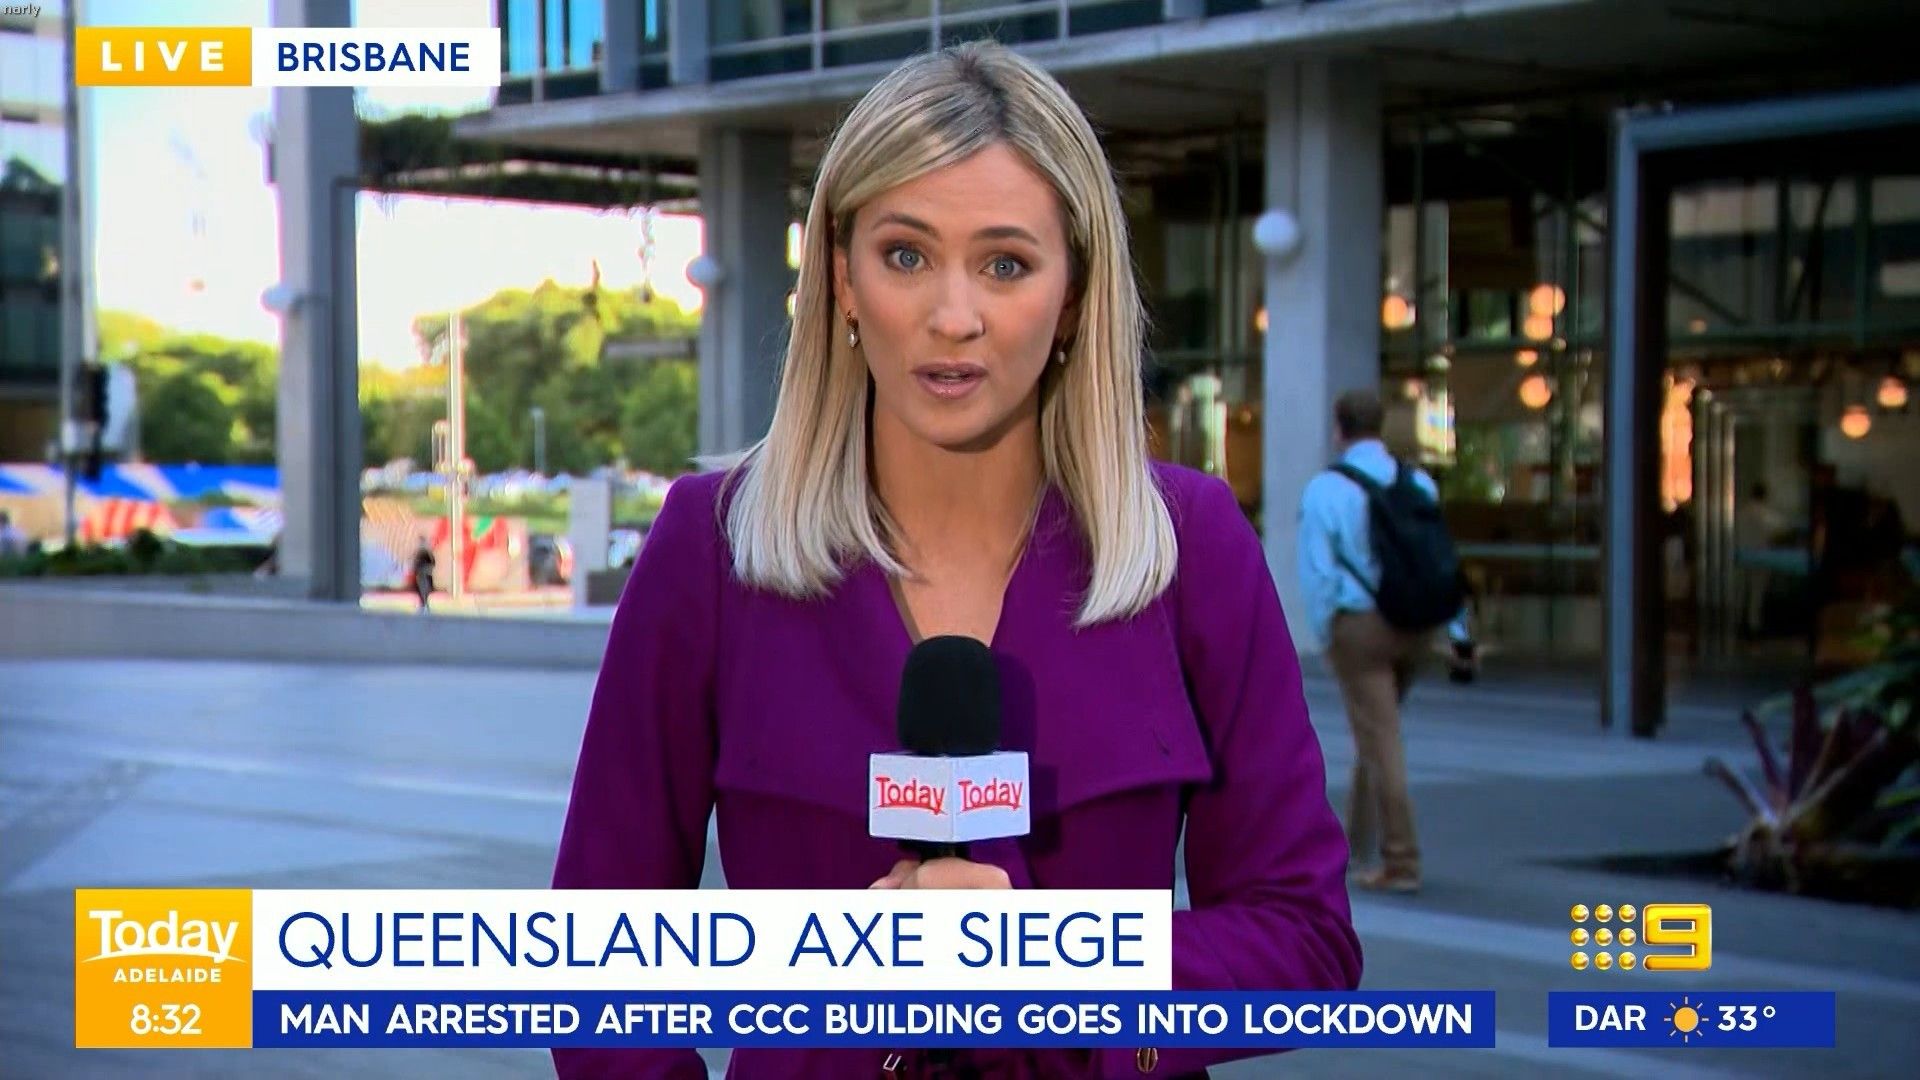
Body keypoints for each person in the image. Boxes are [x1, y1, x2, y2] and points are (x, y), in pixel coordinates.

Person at [553, 42, 1361, 1080]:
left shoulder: (1191, 547)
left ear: (1075, 295)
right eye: (905, 255)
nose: (952, 318)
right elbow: (600, 958)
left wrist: (1060, 975)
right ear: (840, 277)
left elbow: (1304, 937)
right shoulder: (710, 552)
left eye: (1005, 264)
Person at [1296, 389, 1451, 895]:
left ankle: (1401, 860)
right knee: (1374, 731)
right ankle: (1352, 844)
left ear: (1338, 429)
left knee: (1380, 739)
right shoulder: (1417, 482)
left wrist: (1325, 632)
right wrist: (1455, 632)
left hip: (1360, 627)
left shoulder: (1325, 490)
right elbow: (1439, 559)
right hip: (1416, 624)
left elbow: (1318, 573)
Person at [410, 538, 435, 613]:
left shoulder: (424, 552)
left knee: (423, 589)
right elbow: (432, 563)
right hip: (423, 574)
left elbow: (431, 563)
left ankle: (424, 605)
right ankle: (424, 605)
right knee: (423, 589)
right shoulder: (424, 552)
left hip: (423, 574)